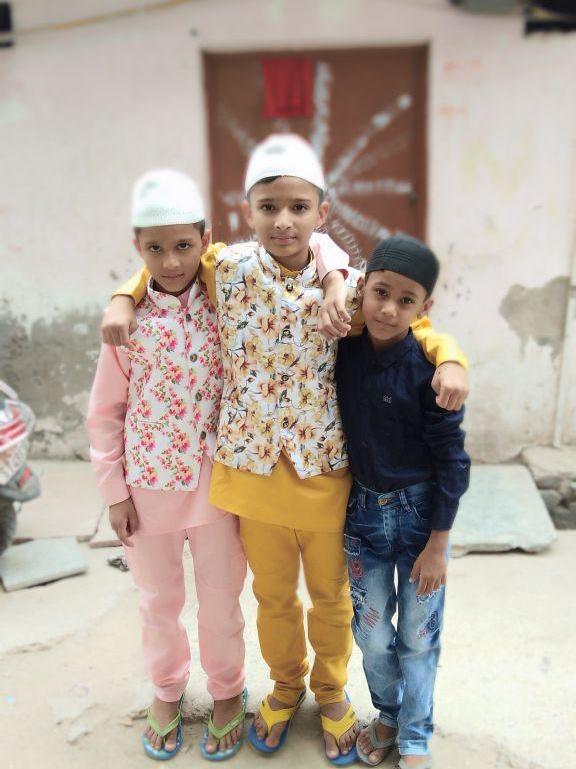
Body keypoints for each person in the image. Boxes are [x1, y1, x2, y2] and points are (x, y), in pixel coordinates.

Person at [102, 135, 469, 765]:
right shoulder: (224, 269)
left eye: (299, 208)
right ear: (246, 211)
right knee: (272, 598)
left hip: (325, 472)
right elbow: (164, 260)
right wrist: (122, 295)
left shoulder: (350, 289)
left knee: (331, 598)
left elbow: (414, 323)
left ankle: (330, 693)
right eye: (268, 207)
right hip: (250, 474)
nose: (283, 221)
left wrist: (451, 359)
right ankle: (283, 686)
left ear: (322, 213)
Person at [87, 169, 247, 762]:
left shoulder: (229, 305)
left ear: (206, 239)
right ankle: (167, 689)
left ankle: (227, 690)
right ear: (137, 246)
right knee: (157, 601)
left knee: (222, 598)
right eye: (155, 248)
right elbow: (105, 412)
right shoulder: (125, 325)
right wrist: (114, 492)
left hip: (218, 489)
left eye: (184, 245)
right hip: (147, 490)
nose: (171, 261)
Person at [335, 235, 471, 768]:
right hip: (363, 516)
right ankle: (388, 713)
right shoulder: (343, 350)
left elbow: (453, 462)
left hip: (419, 519)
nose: (389, 309)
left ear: (424, 307)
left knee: (418, 636)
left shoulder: (430, 371)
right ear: (362, 289)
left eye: (406, 300)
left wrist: (438, 545)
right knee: (371, 634)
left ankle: (414, 735)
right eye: (380, 293)